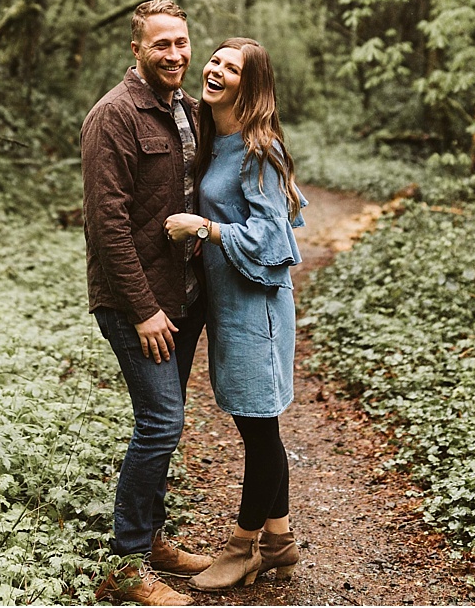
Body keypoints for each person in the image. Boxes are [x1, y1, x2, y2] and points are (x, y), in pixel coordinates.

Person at [83, 0, 213, 607]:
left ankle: (154, 539)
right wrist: (141, 310)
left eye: (181, 43)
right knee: (160, 423)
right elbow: (106, 226)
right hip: (137, 303)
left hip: (183, 298)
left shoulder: (188, 110)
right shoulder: (114, 116)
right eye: (161, 45)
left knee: (166, 423)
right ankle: (128, 561)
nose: (175, 55)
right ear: (136, 49)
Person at [164, 38, 305, 591]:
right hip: (228, 303)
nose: (216, 70)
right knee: (257, 426)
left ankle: (242, 549)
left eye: (232, 67)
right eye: (215, 60)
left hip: (258, 307)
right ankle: (280, 542)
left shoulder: (258, 150)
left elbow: (275, 237)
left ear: (251, 86)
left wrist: (205, 228)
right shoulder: (215, 140)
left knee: (259, 430)